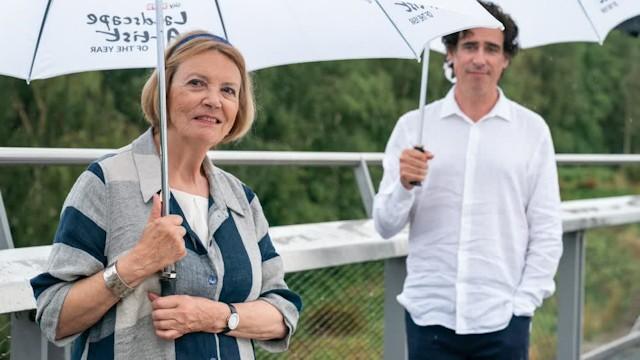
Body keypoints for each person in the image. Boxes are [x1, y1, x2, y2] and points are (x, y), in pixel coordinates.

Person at [30, 30, 302, 360]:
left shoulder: (242, 200)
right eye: (197, 83)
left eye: (228, 90)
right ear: (164, 93)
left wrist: (216, 316)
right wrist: (136, 264)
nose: (214, 100)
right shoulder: (105, 181)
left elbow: (282, 311)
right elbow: (54, 315)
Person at [373, 2, 562, 359]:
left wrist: (523, 304)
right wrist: (404, 184)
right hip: (429, 317)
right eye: (469, 46)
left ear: (505, 59)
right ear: (450, 54)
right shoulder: (414, 127)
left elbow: (547, 227)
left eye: (492, 48)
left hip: (503, 320)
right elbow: (384, 225)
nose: (480, 58)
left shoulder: (532, 130)